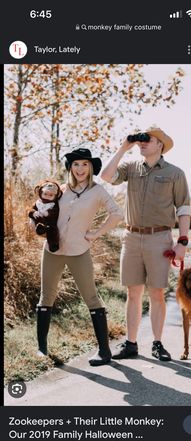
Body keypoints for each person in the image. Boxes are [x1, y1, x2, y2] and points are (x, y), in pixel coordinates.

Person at [101, 125, 191, 361]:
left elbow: (183, 209)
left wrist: (182, 242)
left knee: (157, 293)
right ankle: (131, 345)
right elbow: (106, 176)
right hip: (131, 237)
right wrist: (124, 147)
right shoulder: (131, 167)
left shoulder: (175, 173)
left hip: (160, 239)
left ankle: (157, 343)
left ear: (160, 144)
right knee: (133, 292)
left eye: (147, 140)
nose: (142, 143)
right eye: (140, 140)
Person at [36, 147, 123, 366]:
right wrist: (37, 223)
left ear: (91, 167)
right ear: (70, 167)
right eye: (76, 164)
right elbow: (42, 208)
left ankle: (104, 351)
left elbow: (118, 214)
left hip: (79, 251)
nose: (80, 168)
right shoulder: (60, 190)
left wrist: (95, 233)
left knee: (91, 298)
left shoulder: (98, 191)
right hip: (53, 250)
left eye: (85, 164)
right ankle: (42, 349)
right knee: (46, 297)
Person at [29, 179, 62, 253]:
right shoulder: (38, 203)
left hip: (50, 223)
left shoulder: (53, 204)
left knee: (52, 230)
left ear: (56, 196)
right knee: (39, 222)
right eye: (45, 194)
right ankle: (40, 228)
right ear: (40, 192)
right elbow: (30, 211)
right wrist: (33, 213)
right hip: (39, 220)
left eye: (51, 195)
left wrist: (49, 213)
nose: (47, 196)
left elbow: (56, 212)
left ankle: (53, 244)